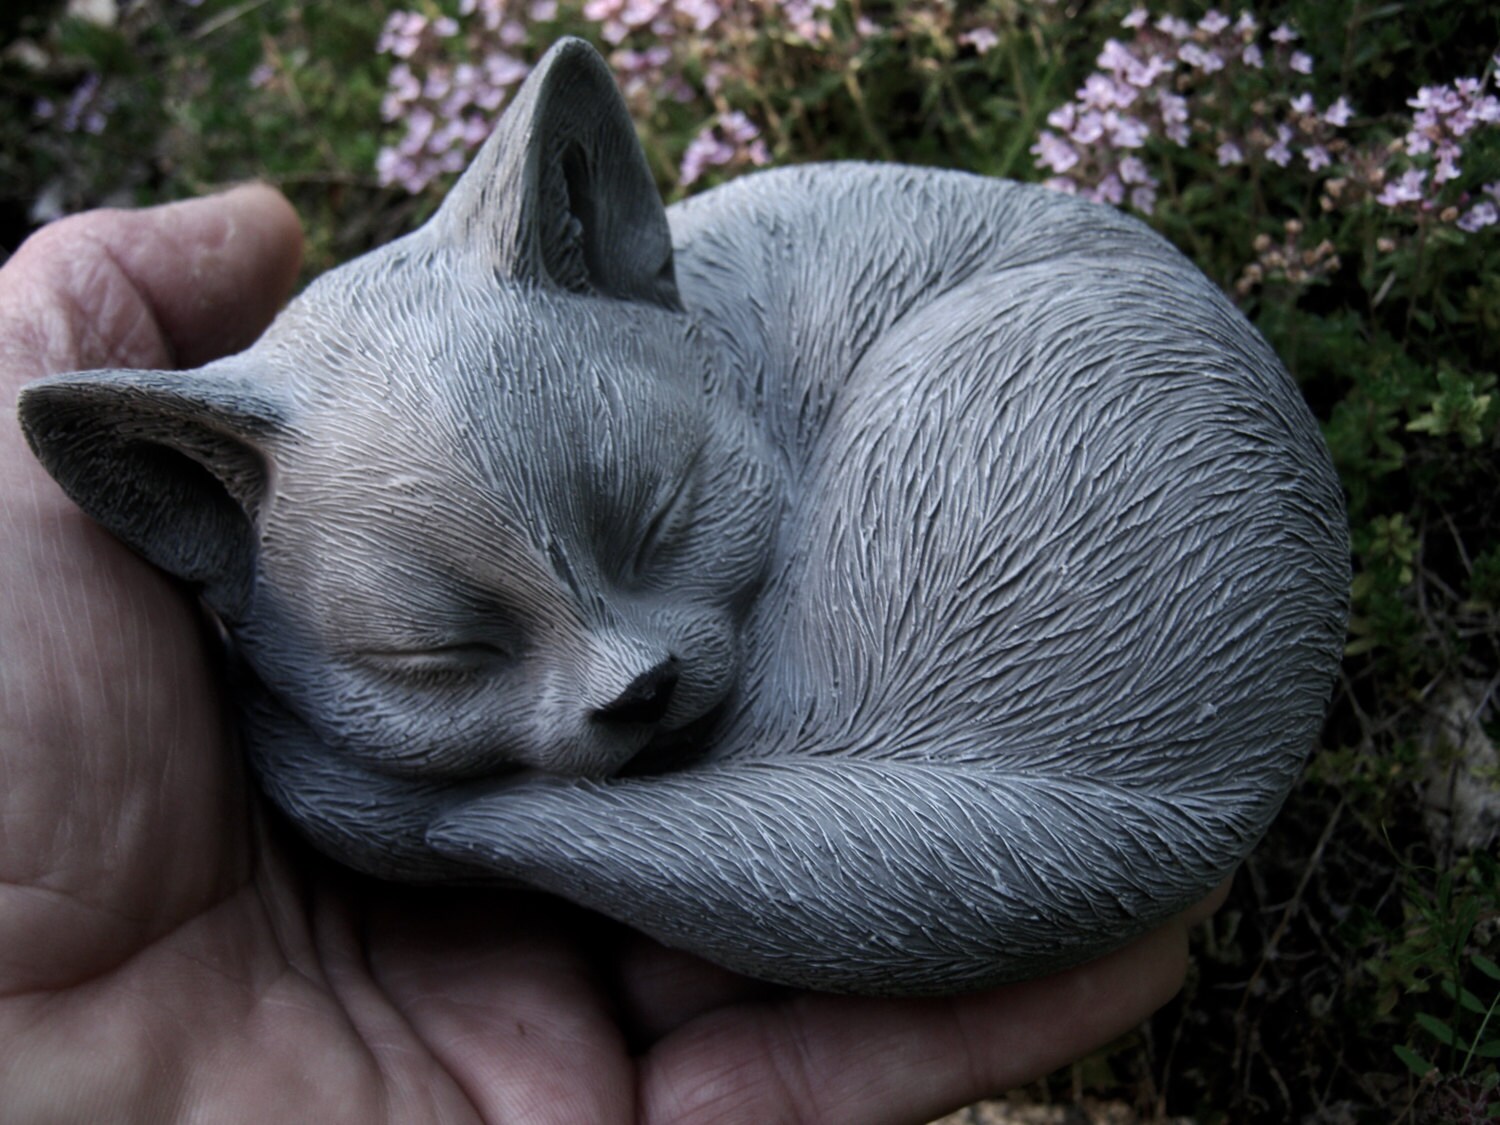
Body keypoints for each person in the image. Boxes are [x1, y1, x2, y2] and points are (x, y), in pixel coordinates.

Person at [0, 186, 1226, 1123]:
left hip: (1114, 463)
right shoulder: (269, 510)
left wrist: (458, 817)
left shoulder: (682, 337)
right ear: (194, 512)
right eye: (444, 651)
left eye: (661, 527)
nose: (619, 672)